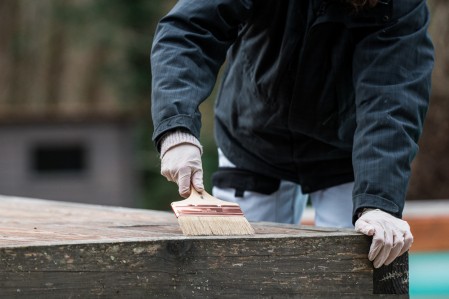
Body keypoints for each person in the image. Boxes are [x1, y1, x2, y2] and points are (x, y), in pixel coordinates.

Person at [150, 0, 434, 269]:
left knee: (357, 263)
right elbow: (189, 30)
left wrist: (378, 201)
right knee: (241, 270)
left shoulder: (400, 6)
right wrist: (176, 127)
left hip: (346, 153)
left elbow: (391, 102)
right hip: (253, 138)